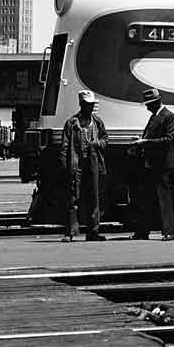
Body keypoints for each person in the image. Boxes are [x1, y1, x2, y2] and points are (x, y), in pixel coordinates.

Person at [130, 88, 174, 241]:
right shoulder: (155, 116)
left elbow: (168, 139)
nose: (147, 107)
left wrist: (145, 143)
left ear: (156, 102)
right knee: (147, 199)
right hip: (151, 163)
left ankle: (169, 231)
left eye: (149, 104)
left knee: (163, 199)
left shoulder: (168, 116)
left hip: (161, 165)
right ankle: (143, 231)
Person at [61, 90, 108, 242]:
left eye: (92, 105)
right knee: (74, 197)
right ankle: (70, 232)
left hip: (92, 164)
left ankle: (93, 231)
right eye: (88, 105)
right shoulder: (71, 123)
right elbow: (64, 146)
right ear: (81, 105)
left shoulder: (98, 121)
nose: (91, 107)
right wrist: (65, 166)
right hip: (77, 164)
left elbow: (105, 140)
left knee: (94, 196)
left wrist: (96, 144)